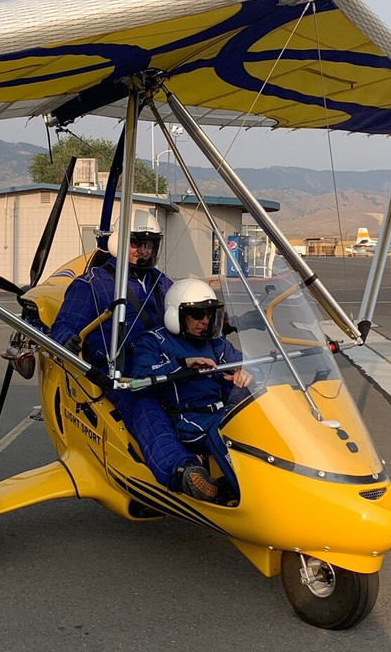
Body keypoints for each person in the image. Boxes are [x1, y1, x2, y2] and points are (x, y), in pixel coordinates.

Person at [50, 211, 218, 501]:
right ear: (119, 242)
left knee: (215, 389)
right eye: (137, 243)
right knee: (144, 404)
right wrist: (69, 341)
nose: (145, 250)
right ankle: (182, 472)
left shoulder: (161, 282)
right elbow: (64, 328)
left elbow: (186, 313)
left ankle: (238, 464)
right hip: (119, 371)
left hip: (164, 362)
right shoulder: (92, 284)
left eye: (150, 244)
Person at [129, 278, 253, 504]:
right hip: (187, 419)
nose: (205, 321)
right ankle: (249, 496)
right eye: (197, 315)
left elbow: (243, 362)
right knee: (223, 431)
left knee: (252, 420)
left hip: (220, 411)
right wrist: (183, 364)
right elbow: (140, 377)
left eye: (208, 314)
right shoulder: (154, 341)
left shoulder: (214, 341)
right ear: (177, 315)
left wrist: (245, 373)